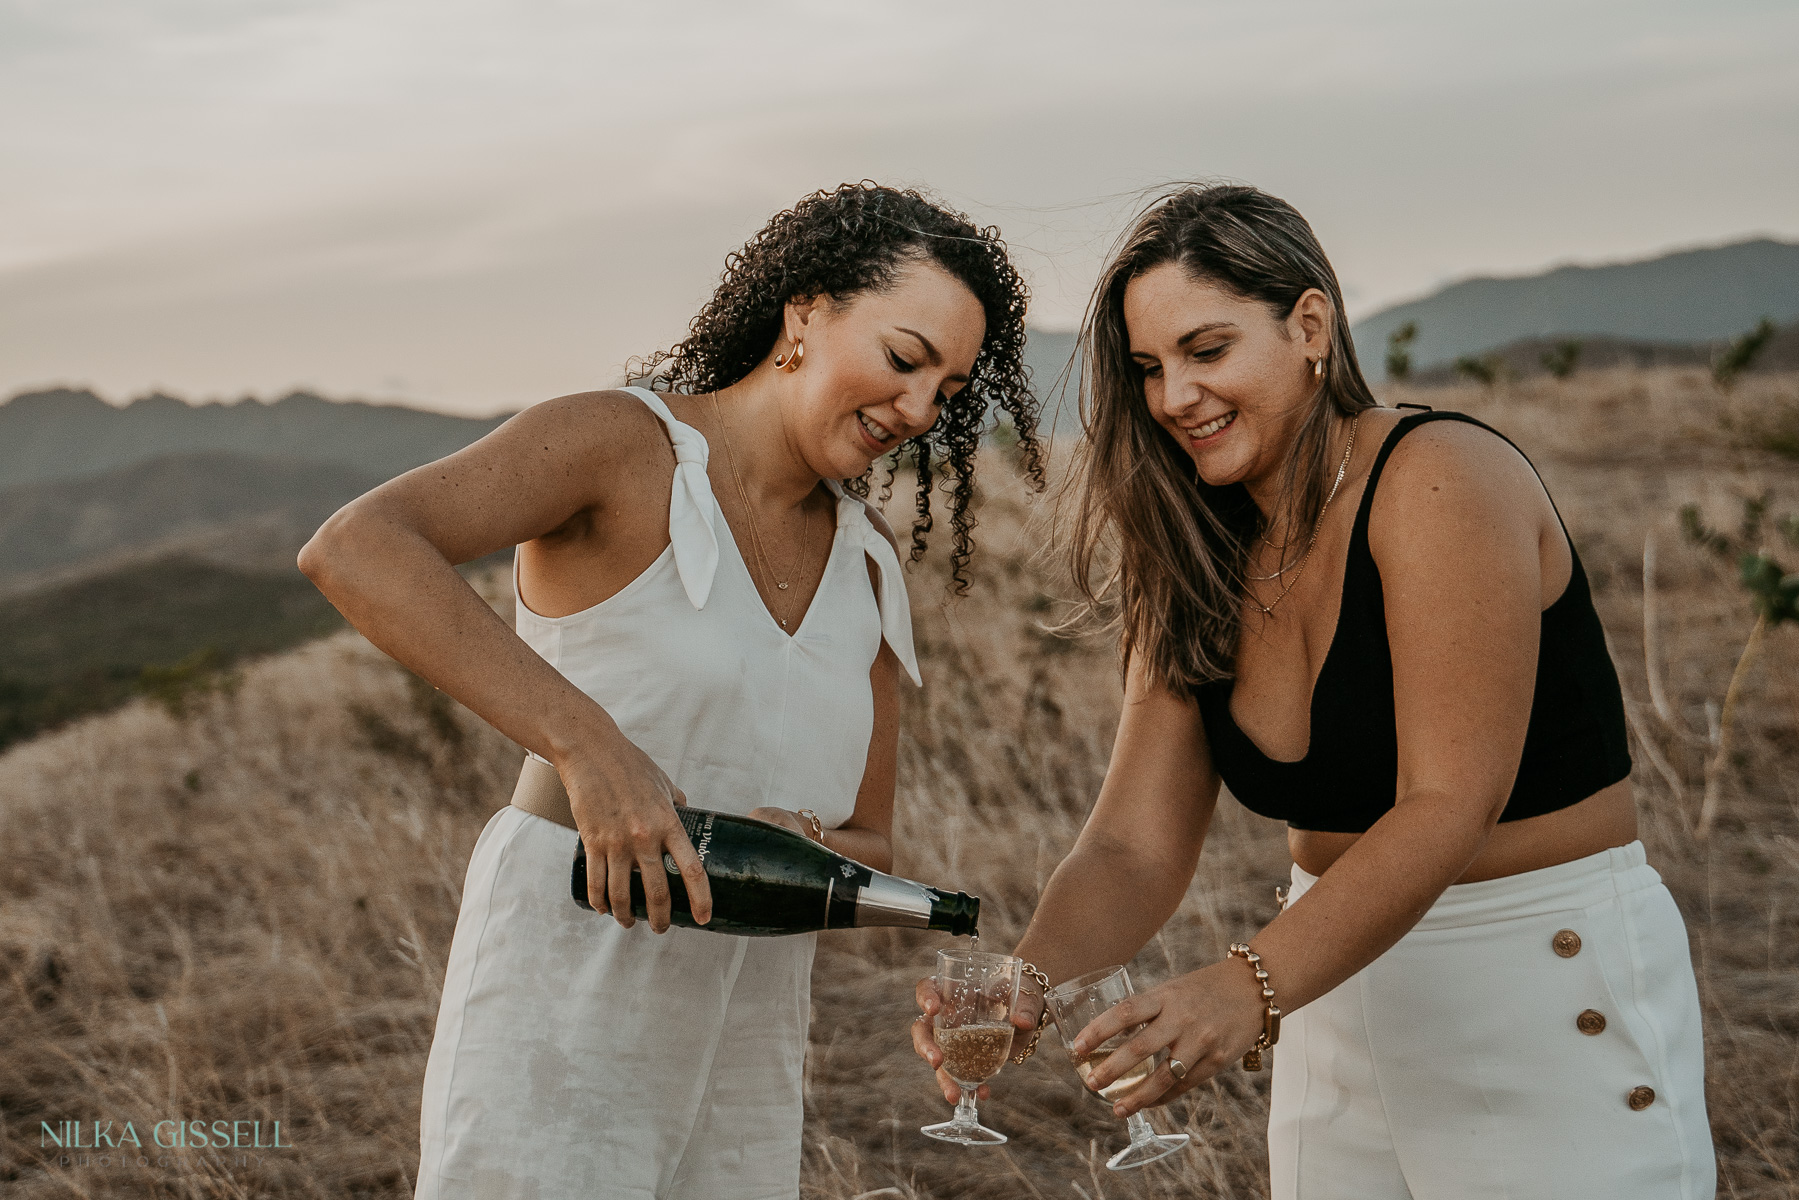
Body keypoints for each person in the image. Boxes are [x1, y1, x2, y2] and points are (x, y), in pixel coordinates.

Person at [912, 184, 1713, 1199]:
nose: (1174, 398)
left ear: (1310, 326)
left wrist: (1245, 986)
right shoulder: (1193, 540)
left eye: (1208, 351)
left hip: (1535, 983)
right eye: (1151, 370)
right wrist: (1027, 982)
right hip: (1330, 991)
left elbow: (1449, 800)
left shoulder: (1439, 476)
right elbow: (1132, 844)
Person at [300, 181, 1041, 1200]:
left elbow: (871, 843)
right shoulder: (620, 446)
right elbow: (358, 547)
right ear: (807, 311)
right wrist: (583, 743)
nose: (917, 410)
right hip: (562, 991)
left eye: (948, 394)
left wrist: (804, 846)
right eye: (905, 359)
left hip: (747, 1027)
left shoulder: (869, 569)